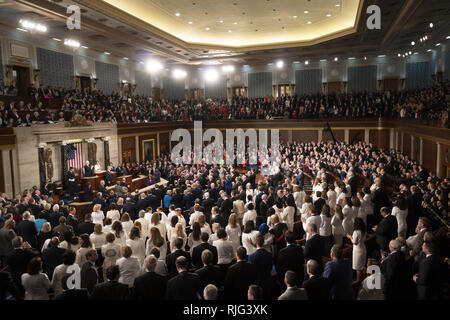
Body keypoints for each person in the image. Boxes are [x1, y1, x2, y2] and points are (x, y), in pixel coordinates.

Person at [248, 234, 273, 299]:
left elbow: (251, 272)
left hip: (257, 282)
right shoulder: (269, 255)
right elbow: (270, 268)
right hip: (267, 281)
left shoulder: (251, 257)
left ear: (256, 243)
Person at [346, 217, 367, 283]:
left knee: (358, 267)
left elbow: (354, 242)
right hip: (363, 248)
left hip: (358, 250)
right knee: (362, 265)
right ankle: (362, 278)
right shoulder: (364, 231)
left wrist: (350, 237)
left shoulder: (356, 232)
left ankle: (358, 280)